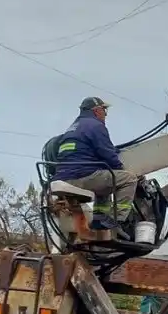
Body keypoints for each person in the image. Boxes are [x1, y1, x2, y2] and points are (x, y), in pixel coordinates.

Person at [50, 96, 139, 233]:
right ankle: (118, 221)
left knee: (104, 180)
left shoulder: (73, 127)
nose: (105, 114)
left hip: (64, 177)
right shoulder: (96, 126)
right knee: (128, 179)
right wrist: (122, 169)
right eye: (104, 110)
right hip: (81, 177)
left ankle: (99, 218)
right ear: (96, 110)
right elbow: (108, 155)